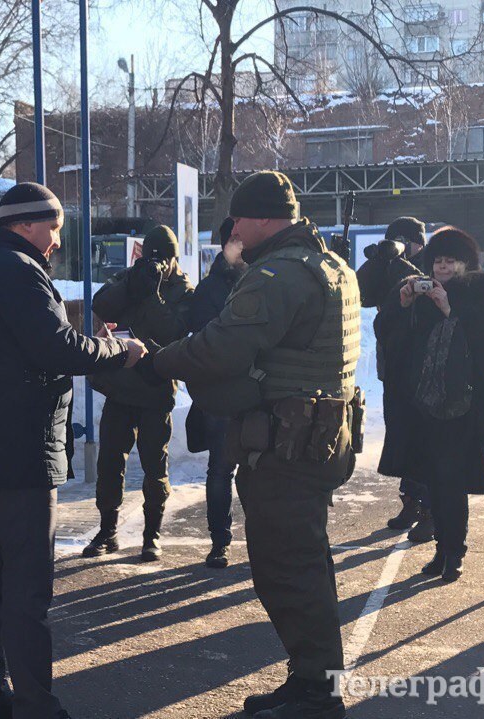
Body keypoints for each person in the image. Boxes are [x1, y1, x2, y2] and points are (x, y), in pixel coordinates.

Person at [135, 171, 360, 719]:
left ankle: (318, 693)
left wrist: (156, 359)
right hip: (316, 439)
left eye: (237, 219)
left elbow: (222, 347)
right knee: (305, 562)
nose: (232, 229)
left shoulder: (279, 273)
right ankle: (312, 678)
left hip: (286, 446)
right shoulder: (329, 264)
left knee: (287, 568)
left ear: (262, 218)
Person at [0, 182, 146, 719]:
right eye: (55, 227)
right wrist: (118, 350)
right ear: (27, 224)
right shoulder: (15, 268)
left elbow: (28, 343)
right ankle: (37, 706)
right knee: (26, 588)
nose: (58, 240)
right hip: (20, 447)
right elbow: (52, 346)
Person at [375, 227, 484, 582]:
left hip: (462, 406)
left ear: (466, 264)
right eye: (438, 259)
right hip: (422, 404)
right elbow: (386, 332)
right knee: (433, 480)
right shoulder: (416, 290)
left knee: (452, 480)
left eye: (450, 260)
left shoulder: (482, 293)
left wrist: (452, 310)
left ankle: (454, 552)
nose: (443, 266)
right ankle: (441, 549)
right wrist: (403, 306)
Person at [82, 224, 193, 562]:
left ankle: (151, 534)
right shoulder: (129, 278)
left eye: (164, 259)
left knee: (154, 468)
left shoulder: (183, 291)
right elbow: (101, 305)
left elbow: (174, 330)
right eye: (153, 257)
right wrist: (134, 283)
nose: (159, 265)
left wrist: (154, 294)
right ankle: (107, 530)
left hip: (156, 391)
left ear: (174, 260)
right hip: (120, 389)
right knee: (109, 465)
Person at [357, 216, 434, 542]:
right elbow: (363, 293)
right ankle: (411, 504)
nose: (405, 245)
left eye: (407, 240)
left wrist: (398, 264)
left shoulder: (430, 267)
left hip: (424, 371)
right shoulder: (389, 267)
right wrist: (378, 261)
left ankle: (430, 512)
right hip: (396, 369)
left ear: (419, 243)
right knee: (402, 440)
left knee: (423, 443)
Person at [186, 217, 245, 569]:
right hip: (222, 393)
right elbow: (201, 335)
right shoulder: (209, 289)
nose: (242, 245)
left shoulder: (266, 279)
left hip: (259, 390)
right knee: (220, 471)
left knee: (260, 475)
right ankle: (219, 541)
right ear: (225, 245)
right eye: (235, 240)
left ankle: (264, 542)